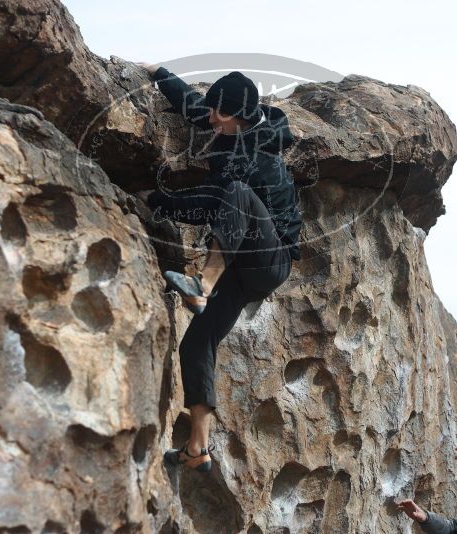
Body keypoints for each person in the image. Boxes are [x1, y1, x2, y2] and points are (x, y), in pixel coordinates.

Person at [136, 62, 302, 472]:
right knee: (196, 343)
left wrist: (157, 201)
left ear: (240, 117)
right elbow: (195, 106)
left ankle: (201, 285)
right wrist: (159, 72)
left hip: (271, 259)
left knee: (237, 193)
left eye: (218, 114)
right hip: (243, 265)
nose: (209, 120)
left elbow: (212, 201)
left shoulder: (260, 159)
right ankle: (198, 448)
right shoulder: (231, 121)